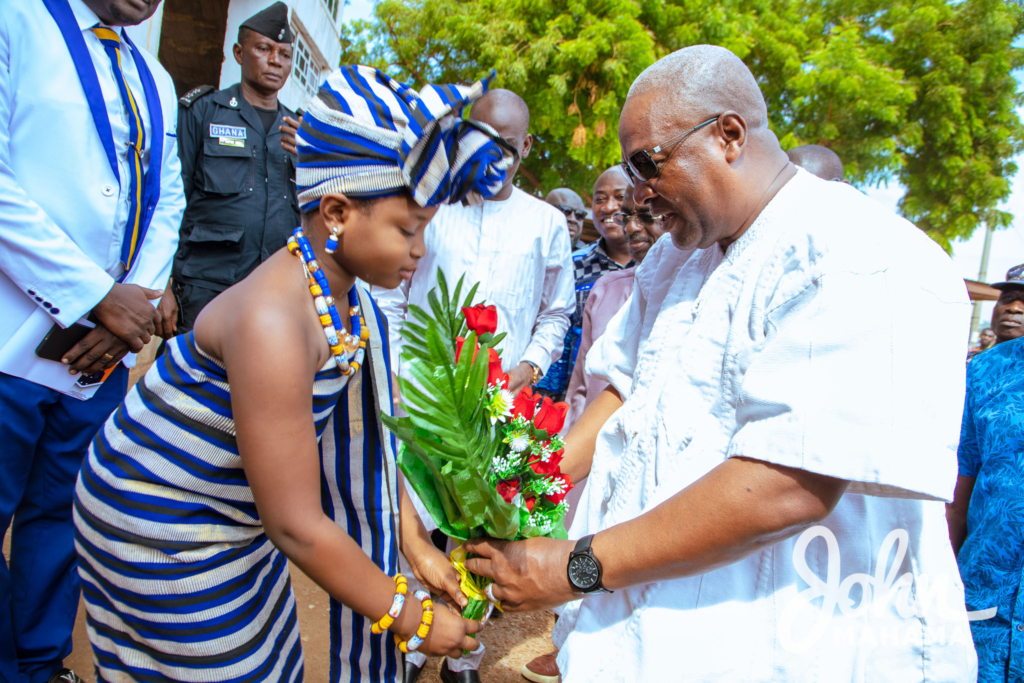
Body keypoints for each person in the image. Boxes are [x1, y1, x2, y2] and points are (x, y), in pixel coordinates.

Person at [465, 45, 976, 682]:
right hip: (653, 636)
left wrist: (574, 567)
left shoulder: (859, 256)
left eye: (649, 165)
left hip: (797, 644)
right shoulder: (676, 259)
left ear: (728, 135)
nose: (639, 196)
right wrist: (529, 491)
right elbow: (625, 388)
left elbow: (789, 486)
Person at [72, 64, 511, 682]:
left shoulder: (340, 295)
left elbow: (362, 449)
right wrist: (408, 615)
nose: (420, 250)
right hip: (163, 523)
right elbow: (296, 524)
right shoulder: (274, 322)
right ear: (336, 212)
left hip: (233, 517)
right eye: (408, 230)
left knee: (269, 656)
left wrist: (412, 546)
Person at [0, 1, 185, 681]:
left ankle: (42, 664)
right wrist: (92, 296)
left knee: (61, 519)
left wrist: (126, 309)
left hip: (94, 360)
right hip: (8, 340)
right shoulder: (15, 21)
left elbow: (167, 201)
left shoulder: (156, 79)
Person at [375, 88, 574, 683]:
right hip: (420, 399)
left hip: (498, 411)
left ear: (526, 148)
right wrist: (405, 381)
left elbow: (557, 313)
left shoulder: (547, 222)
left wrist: (528, 369)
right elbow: (389, 296)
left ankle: (465, 649)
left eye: (506, 150)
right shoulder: (426, 209)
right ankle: (411, 641)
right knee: (414, 523)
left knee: (481, 532)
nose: (491, 163)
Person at [522, 182, 665, 683]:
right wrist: (529, 488)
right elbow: (606, 385)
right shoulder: (627, 290)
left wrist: (563, 570)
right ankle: (569, 648)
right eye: (635, 215)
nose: (639, 228)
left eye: (651, 215)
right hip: (599, 456)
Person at [168, 2, 301, 336]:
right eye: (264, 49)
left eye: (285, 54)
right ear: (240, 53)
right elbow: (170, 199)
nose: (275, 61)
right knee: (189, 379)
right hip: (207, 283)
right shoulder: (203, 112)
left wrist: (310, 159)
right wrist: (161, 284)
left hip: (275, 286)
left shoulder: (303, 130)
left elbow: (323, 211)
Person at [948, 262, 1024, 681]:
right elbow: (959, 493)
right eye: (1009, 296)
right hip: (983, 610)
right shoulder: (985, 371)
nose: (1013, 307)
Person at [534, 167, 633, 401]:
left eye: (619, 197)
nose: (608, 207)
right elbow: (553, 330)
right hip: (573, 402)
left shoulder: (658, 265)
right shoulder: (572, 266)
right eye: (600, 199)